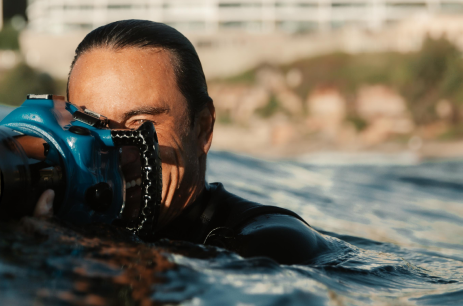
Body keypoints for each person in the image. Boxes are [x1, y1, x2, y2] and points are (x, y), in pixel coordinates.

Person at [34, 19, 329, 265]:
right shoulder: (61, 216)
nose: (117, 152)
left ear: (202, 129)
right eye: (92, 123)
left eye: (141, 125)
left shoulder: (272, 243)